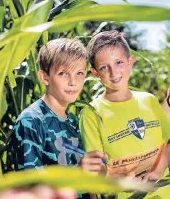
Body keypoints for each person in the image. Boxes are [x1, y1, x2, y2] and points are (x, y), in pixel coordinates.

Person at [79, 30, 170, 199]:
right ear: (95, 72)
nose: (113, 72)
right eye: (104, 67)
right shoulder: (91, 114)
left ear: (130, 61)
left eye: (118, 62)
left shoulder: (150, 101)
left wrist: (157, 171)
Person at [12, 38, 107, 198]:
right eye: (63, 73)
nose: (73, 82)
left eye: (79, 73)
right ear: (44, 78)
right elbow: (31, 190)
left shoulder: (74, 122)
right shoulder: (31, 121)